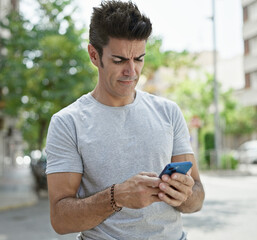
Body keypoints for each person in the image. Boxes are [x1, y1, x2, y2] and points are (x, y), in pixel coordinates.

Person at [45, 1, 205, 239]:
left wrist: (185, 195)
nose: (132, 71)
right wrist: (117, 196)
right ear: (94, 55)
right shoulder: (68, 123)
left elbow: (197, 197)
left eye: (139, 59)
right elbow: (60, 219)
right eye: (119, 60)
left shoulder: (168, 112)